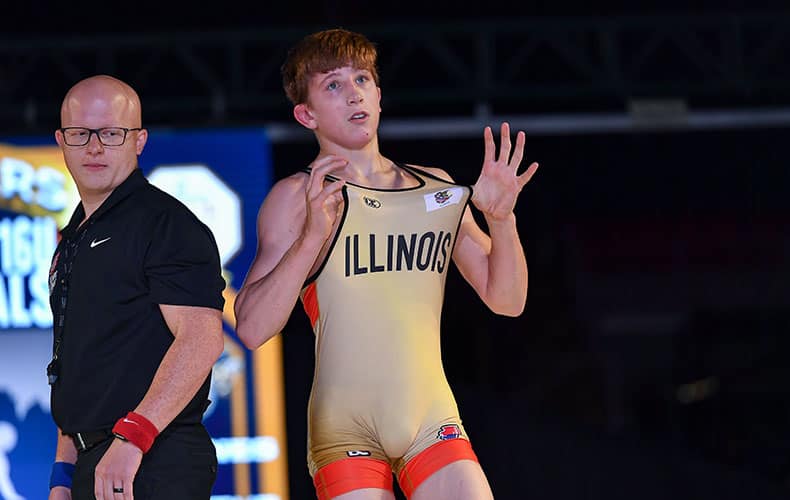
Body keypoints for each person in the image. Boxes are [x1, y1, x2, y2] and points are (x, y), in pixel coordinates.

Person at [234, 28, 537, 500]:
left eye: (362, 79)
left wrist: (502, 221)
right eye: (332, 85)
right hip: (345, 431)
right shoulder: (297, 198)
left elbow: (508, 301)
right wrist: (314, 233)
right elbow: (251, 328)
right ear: (305, 113)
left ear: (379, 95)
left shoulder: (434, 188)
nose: (353, 92)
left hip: (432, 419)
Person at [47, 75, 226, 500]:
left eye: (111, 133)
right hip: (98, 463)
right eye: (80, 133)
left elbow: (201, 339)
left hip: (150, 458)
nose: (94, 146)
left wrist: (133, 439)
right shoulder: (75, 235)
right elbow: (76, 365)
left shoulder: (165, 224)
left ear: (139, 140)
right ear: (61, 140)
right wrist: (63, 477)